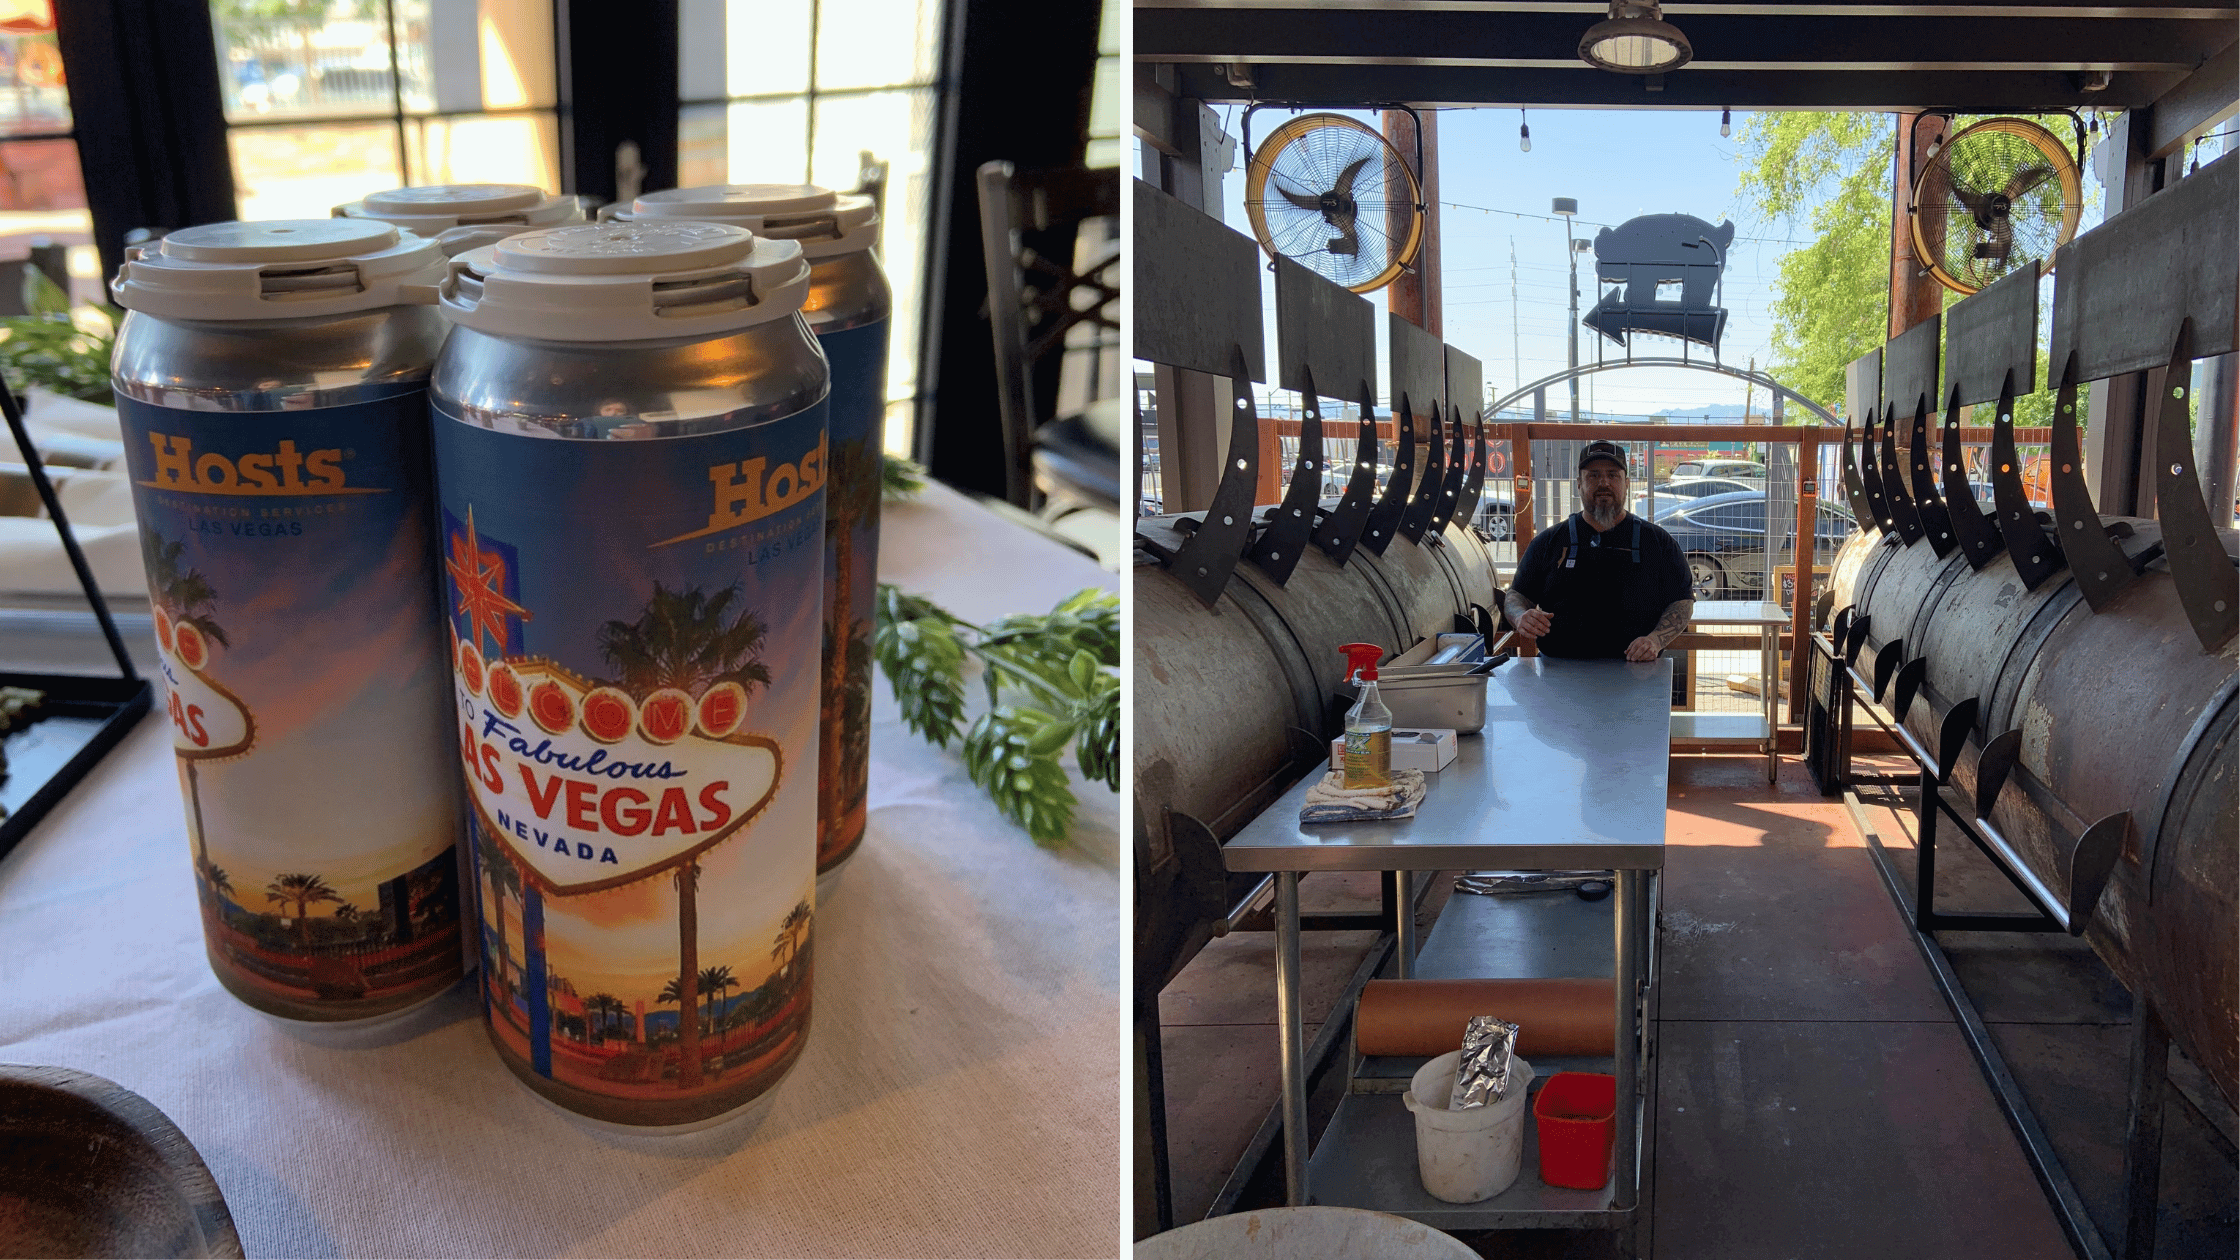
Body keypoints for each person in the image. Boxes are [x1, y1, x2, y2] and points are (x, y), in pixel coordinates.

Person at [1503, 439, 1694, 661]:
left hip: (1636, 673)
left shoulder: (1657, 542)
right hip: (1559, 672)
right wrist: (1520, 617)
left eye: (1613, 475)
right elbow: (1516, 595)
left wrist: (1655, 639)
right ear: (1579, 484)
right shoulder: (1549, 542)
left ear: (1627, 483)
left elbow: (1682, 601)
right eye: (1593, 475)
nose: (1604, 482)